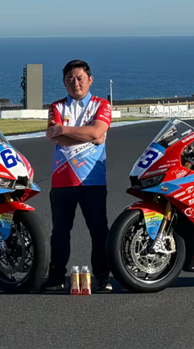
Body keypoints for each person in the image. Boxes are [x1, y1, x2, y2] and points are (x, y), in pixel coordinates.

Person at [41, 60, 113, 292]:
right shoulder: (56, 106)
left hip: (93, 179)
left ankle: (103, 277)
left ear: (90, 80)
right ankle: (55, 277)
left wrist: (65, 130)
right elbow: (56, 137)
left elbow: (97, 131)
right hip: (62, 179)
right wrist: (90, 135)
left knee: (99, 230)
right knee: (60, 232)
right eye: (70, 79)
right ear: (64, 82)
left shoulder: (102, 104)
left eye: (80, 78)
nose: (75, 83)